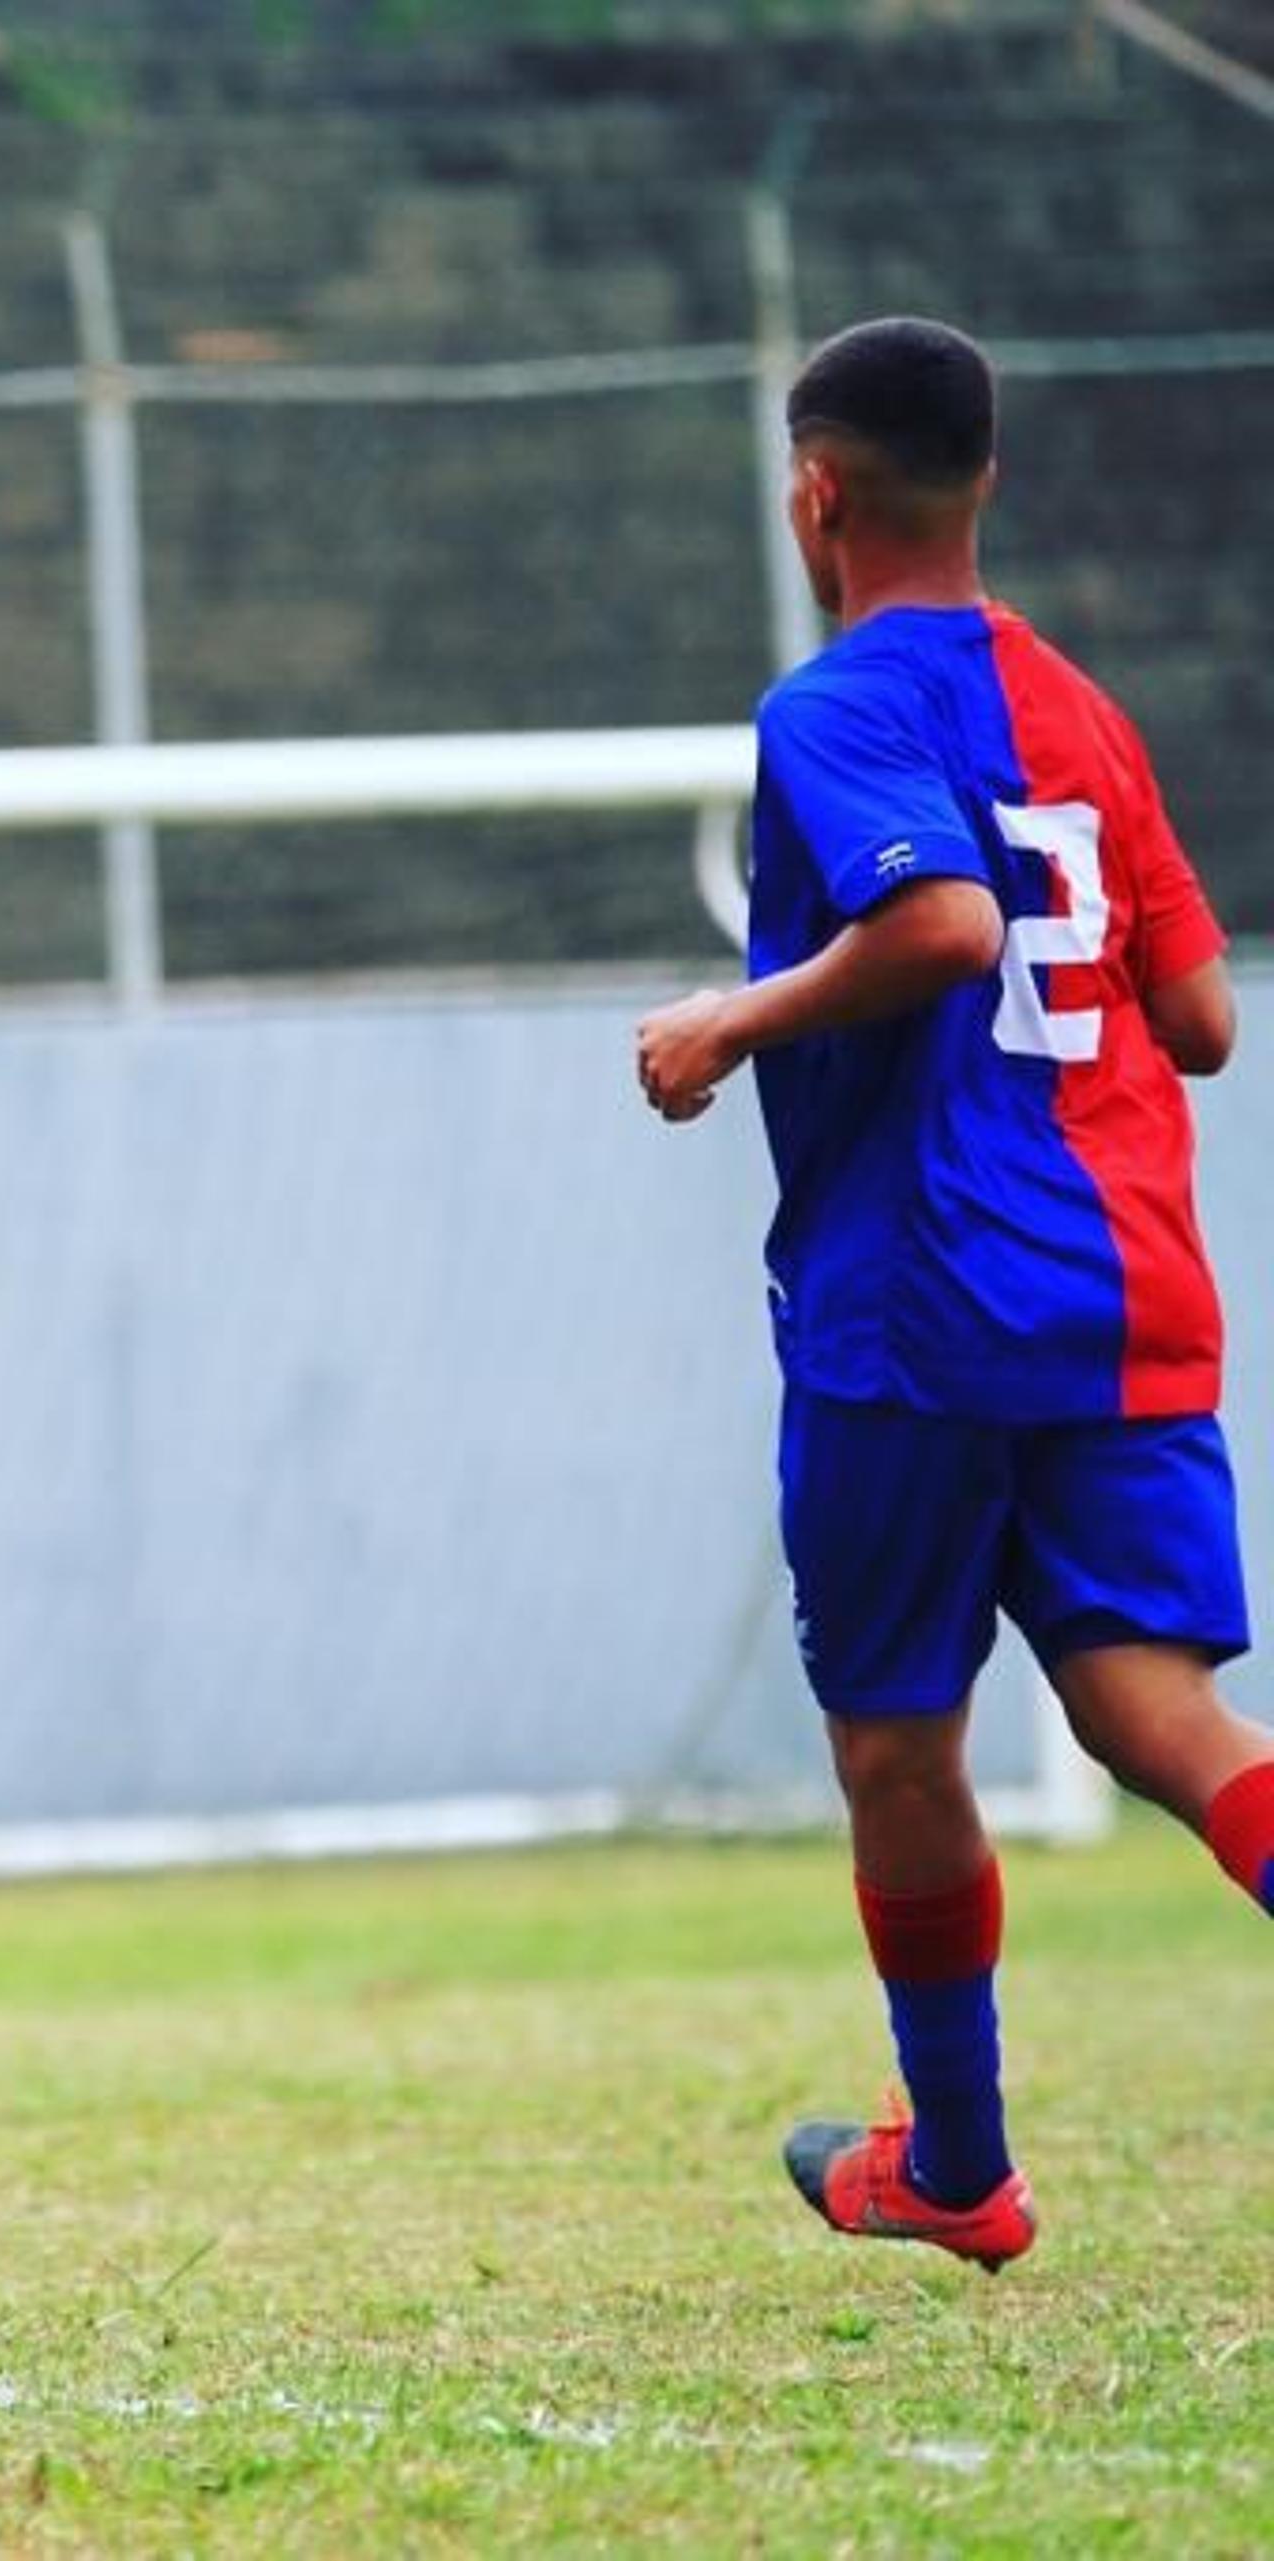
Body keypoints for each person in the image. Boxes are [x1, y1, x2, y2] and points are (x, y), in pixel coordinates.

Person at [635, 315, 1274, 2270]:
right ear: (984, 480)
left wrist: (733, 1019)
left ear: (815, 490)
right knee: (1154, 1712)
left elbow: (940, 921)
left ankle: (963, 2166)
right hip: (1124, 1290)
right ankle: (947, 2165)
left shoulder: (831, 709)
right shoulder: (1086, 713)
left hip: (917, 1304)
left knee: (901, 1735)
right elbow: (1201, 1019)